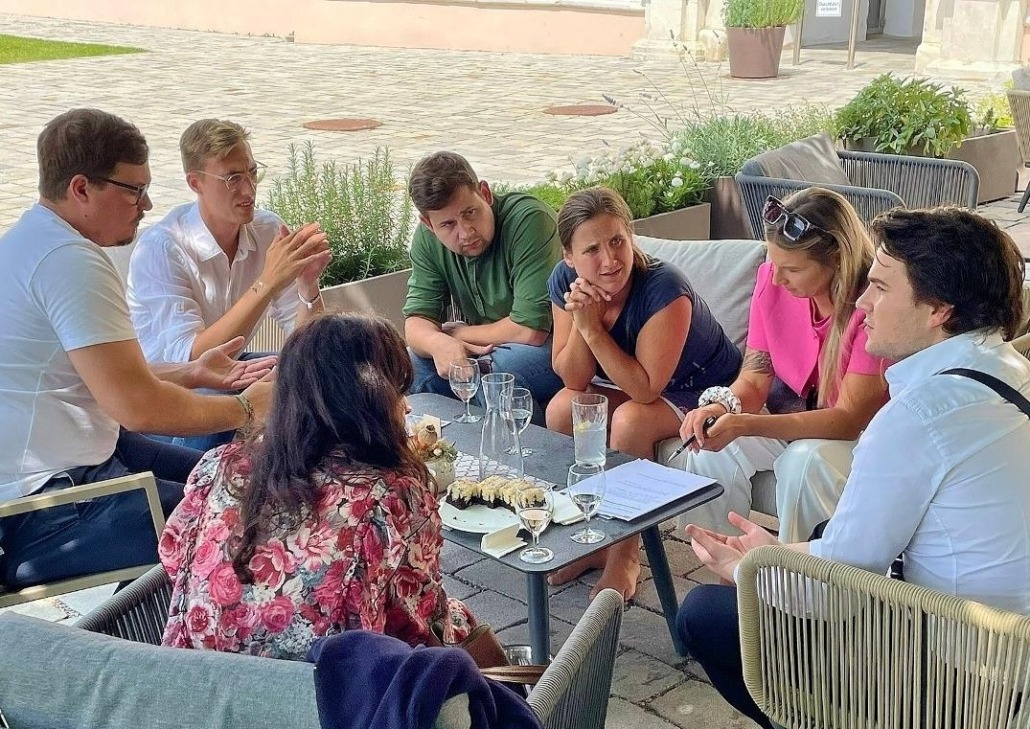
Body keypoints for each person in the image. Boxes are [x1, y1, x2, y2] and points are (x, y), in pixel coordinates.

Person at [677, 206, 1030, 728]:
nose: (863, 303)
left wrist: (749, 569)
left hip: (970, 680)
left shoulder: (918, 416)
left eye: (881, 288)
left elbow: (837, 586)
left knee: (705, 616)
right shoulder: (1011, 369)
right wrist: (781, 553)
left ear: (939, 309)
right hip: (1009, 650)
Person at [0, 108, 273, 590]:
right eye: (133, 190)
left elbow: (92, 375)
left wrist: (191, 373)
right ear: (81, 188)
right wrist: (248, 408)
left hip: (82, 461)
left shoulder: (30, 240)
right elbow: (139, 407)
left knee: (253, 484)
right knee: (250, 522)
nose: (146, 205)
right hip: (50, 506)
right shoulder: (68, 261)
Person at [159, 314, 477, 660]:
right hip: (325, 689)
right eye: (398, 391)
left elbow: (175, 558)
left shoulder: (219, 467)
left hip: (195, 680)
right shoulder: (391, 495)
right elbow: (419, 625)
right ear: (371, 400)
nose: (407, 405)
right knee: (463, 634)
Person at [544, 187, 742, 599]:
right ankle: (592, 539)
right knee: (563, 409)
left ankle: (625, 554)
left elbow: (645, 389)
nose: (610, 260)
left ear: (630, 235)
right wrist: (583, 323)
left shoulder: (664, 288)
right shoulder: (565, 281)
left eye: (617, 241)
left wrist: (593, 330)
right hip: (633, 384)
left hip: (698, 390)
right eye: (592, 250)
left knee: (630, 420)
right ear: (569, 257)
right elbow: (573, 379)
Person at [676, 188, 890, 543]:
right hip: (795, 421)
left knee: (801, 462)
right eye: (774, 263)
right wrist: (721, 409)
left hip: (861, 439)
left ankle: (795, 572)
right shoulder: (771, 282)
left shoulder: (871, 306)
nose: (776, 278)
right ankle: (724, 568)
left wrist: (746, 424)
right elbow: (755, 378)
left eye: (792, 269)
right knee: (709, 447)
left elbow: (847, 420)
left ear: (837, 259)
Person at [127, 118, 330, 450]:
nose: (249, 190)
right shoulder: (163, 248)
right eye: (233, 178)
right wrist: (267, 282)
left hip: (232, 368)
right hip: (170, 392)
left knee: (319, 369)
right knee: (220, 393)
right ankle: (210, 479)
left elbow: (308, 340)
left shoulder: (266, 229)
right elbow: (193, 360)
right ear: (195, 183)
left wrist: (308, 286)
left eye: (252, 172)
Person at [403, 151, 563, 419]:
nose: (465, 232)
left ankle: (515, 445)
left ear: (485, 193)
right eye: (448, 224)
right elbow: (416, 324)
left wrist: (458, 334)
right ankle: (443, 442)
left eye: (470, 212)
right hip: (490, 347)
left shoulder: (530, 219)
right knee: (409, 365)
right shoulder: (427, 240)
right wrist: (438, 342)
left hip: (557, 345)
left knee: (493, 372)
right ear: (428, 224)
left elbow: (530, 330)